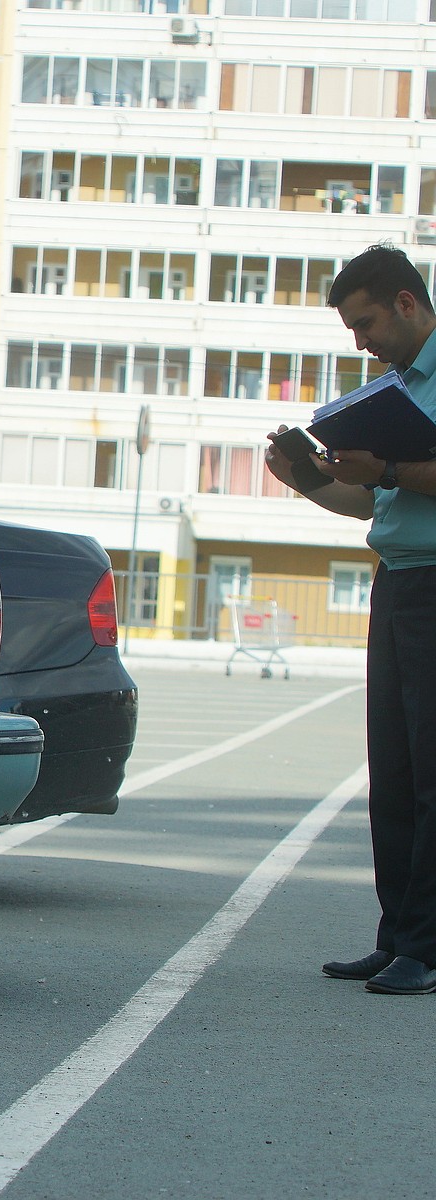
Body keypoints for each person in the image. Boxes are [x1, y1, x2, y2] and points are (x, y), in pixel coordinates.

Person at [264, 242, 436, 995]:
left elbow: (398, 479)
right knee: (394, 776)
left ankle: (426, 949)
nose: (360, 342)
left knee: (433, 777)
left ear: (406, 302)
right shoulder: (394, 389)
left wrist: (391, 468)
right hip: (398, 581)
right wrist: (303, 478)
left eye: (366, 324)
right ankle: (398, 936)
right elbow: (376, 502)